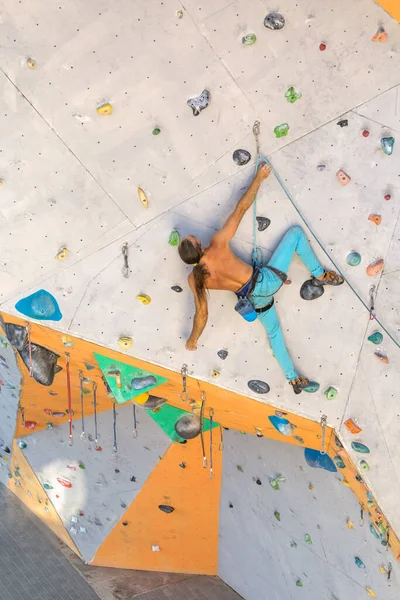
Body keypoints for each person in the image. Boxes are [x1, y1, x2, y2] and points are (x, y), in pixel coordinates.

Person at [178, 163, 344, 394]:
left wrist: (193, 339)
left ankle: (293, 379)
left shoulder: (194, 280)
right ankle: (320, 274)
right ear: (198, 246)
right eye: (193, 238)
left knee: (274, 333)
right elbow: (240, 210)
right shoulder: (217, 245)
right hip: (266, 282)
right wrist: (259, 178)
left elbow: (202, 314)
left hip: (252, 303)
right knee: (295, 234)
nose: (195, 235)